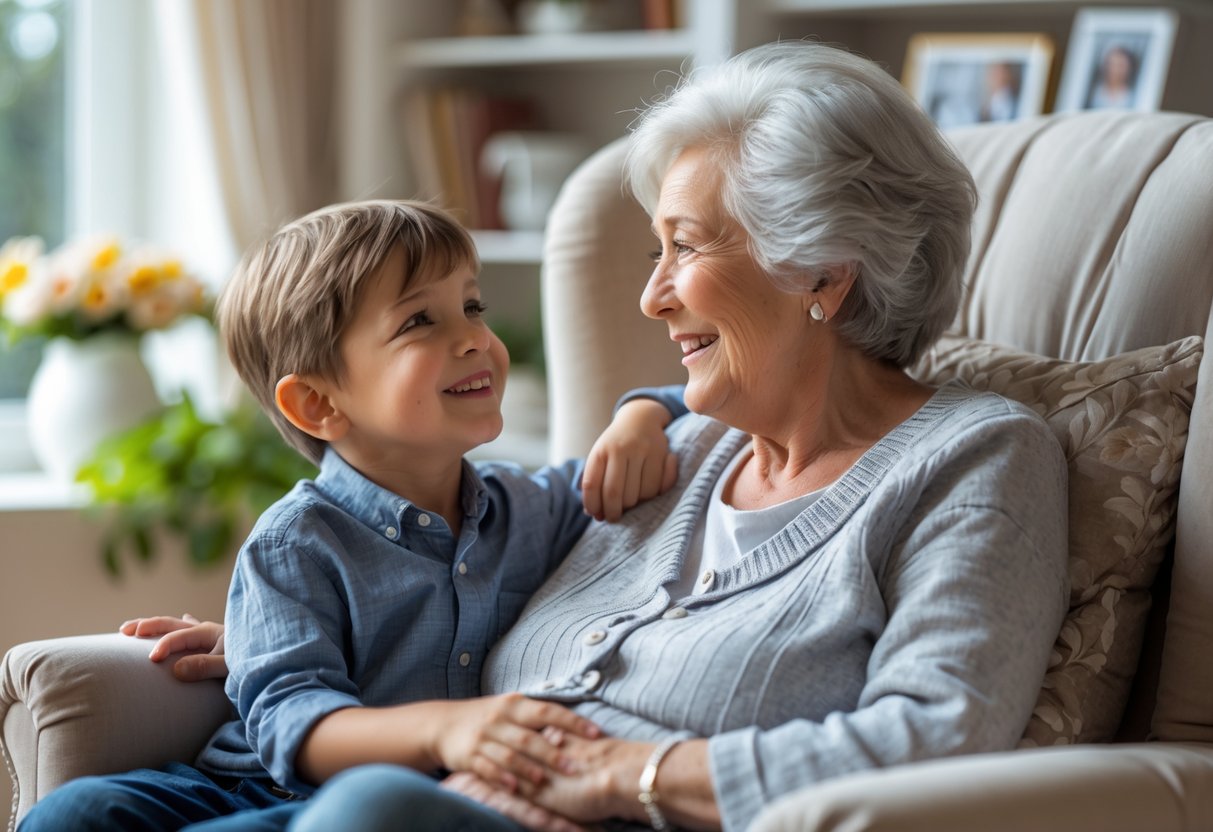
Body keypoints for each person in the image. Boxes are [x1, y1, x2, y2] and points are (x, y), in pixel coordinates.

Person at [82, 40, 1071, 831]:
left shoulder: (972, 457)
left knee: (369, 811)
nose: (650, 294)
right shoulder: (674, 453)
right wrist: (288, 646)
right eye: (655, 249)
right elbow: (446, 584)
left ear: (821, 268)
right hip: (418, 794)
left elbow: (937, 738)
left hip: (519, 815)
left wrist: (627, 776)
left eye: (685, 247)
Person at [17, 200, 682, 832]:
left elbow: (710, 398)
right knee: (78, 813)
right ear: (316, 403)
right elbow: (292, 723)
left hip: (390, 809)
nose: (475, 337)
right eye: (420, 321)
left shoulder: (533, 506)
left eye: (471, 306)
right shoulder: (295, 542)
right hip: (262, 786)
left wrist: (640, 415)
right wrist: (444, 729)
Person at [1087, 43, 1138, 110]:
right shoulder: (1093, 93)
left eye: (1120, 65)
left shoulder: (1133, 95)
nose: (1115, 70)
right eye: (1112, 64)